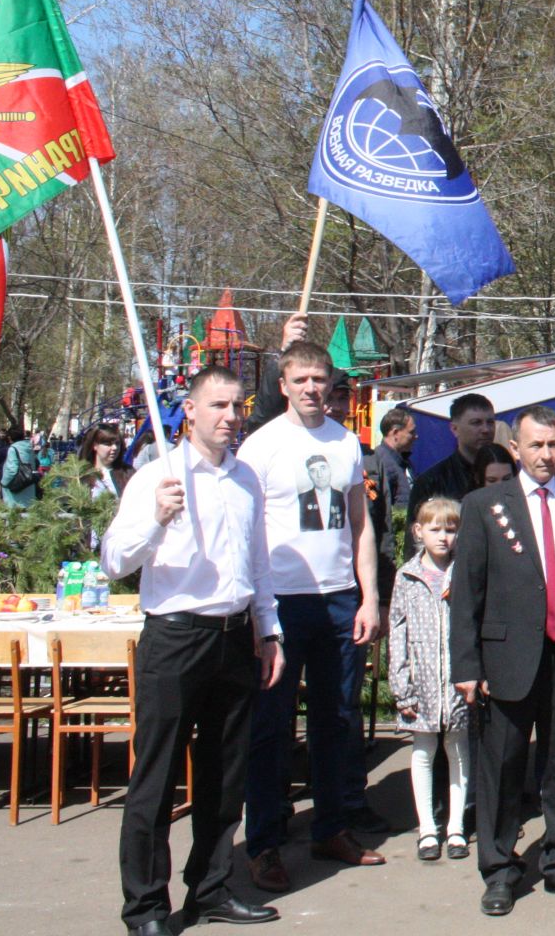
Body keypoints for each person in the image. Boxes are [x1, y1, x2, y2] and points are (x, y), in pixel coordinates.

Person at [101, 366, 286, 935]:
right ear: (191, 410)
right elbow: (114, 561)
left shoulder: (246, 479)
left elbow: (258, 562)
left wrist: (269, 629)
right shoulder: (156, 476)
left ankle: (209, 888)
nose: (230, 417)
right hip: (176, 637)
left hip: (234, 638)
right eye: (218, 406)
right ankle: (146, 908)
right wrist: (156, 519)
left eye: (237, 406)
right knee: (155, 780)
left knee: (225, 778)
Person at [450, 406, 555, 916]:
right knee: (502, 767)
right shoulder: (483, 505)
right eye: (535, 446)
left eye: (552, 445)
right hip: (506, 659)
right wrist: (467, 667)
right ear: (516, 449)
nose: (545, 455)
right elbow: (467, 594)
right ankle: (499, 869)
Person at [238, 340, 383, 892]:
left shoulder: (346, 443)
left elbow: (360, 525)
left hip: (338, 597)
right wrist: (257, 609)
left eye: (319, 379)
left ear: (330, 383)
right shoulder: (262, 445)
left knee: (336, 720)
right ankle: (266, 844)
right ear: (283, 384)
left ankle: (332, 827)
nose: (311, 389)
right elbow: (246, 528)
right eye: (300, 379)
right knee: (272, 726)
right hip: (280, 601)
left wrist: (368, 596)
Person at [388, 497, 470, 863]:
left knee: (458, 751)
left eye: (450, 529)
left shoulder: (465, 572)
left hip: (456, 683)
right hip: (421, 680)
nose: (443, 537)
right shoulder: (407, 576)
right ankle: (427, 829)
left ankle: (456, 827)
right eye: (435, 529)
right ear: (419, 531)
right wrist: (400, 683)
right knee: (423, 752)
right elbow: (397, 631)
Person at [409, 392, 496, 512]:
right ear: (455, 429)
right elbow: (415, 529)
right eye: (476, 423)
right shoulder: (432, 482)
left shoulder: (506, 474)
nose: (486, 430)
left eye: (490, 422)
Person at [365, 405, 415, 571]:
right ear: (395, 433)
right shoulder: (383, 462)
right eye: (411, 432)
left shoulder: (402, 461)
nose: (416, 436)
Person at [78, 422, 132, 501]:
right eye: (108, 444)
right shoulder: (80, 474)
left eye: (117, 443)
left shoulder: (128, 473)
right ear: (95, 445)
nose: (114, 447)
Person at [0, 423, 40, 507]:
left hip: (16, 491)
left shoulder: (13, 449)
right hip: (28, 486)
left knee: (14, 516)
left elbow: (11, 470)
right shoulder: (29, 448)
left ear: (10, 438)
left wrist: (4, 483)